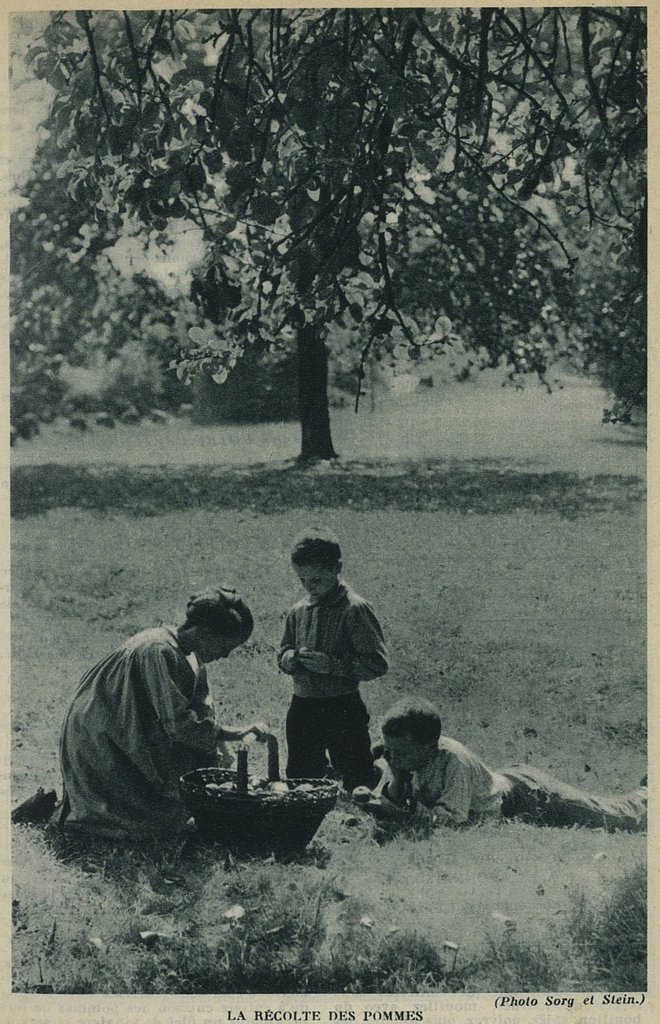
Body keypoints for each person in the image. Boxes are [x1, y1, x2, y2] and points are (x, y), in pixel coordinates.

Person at [50, 588, 272, 841]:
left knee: (178, 806)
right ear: (204, 633)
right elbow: (177, 725)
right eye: (225, 647)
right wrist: (235, 733)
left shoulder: (188, 656)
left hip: (125, 734)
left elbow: (200, 713)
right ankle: (71, 811)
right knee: (144, 825)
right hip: (99, 742)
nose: (225, 655)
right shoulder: (157, 650)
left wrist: (219, 743)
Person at [363, 697, 647, 832]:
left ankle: (648, 794)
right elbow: (394, 799)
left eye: (398, 751)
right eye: (387, 748)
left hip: (528, 796)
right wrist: (397, 781)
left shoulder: (451, 760)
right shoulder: (402, 756)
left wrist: (397, 815)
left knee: (617, 817)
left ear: (427, 745)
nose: (390, 756)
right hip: (503, 785)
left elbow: (449, 824)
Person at [277, 528, 389, 791]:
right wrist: (288, 658)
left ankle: (366, 804)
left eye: (315, 579)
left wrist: (334, 666)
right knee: (300, 776)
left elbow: (377, 663)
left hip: (342, 708)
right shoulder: (298, 611)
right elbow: (282, 650)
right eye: (301, 579)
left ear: (337, 568)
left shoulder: (354, 609)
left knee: (355, 773)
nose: (307, 586)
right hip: (302, 706)